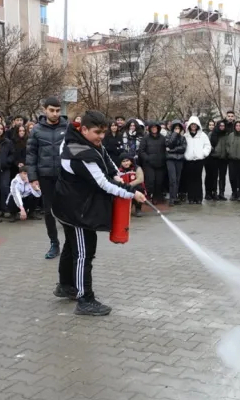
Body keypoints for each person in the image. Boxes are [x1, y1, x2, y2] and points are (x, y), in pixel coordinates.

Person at [51, 111, 146, 316]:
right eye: (97, 132)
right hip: (76, 211)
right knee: (84, 253)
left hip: (70, 206)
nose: (101, 137)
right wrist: (132, 192)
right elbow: (102, 184)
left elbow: (106, 160)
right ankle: (85, 299)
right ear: (84, 129)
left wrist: (117, 175)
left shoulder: (83, 141)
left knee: (71, 247)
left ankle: (66, 286)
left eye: (103, 132)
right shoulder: (80, 153)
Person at [26, 97, 69, 259]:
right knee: (49, 211)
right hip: (45, 177)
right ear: (45, 110)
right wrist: (32, 177)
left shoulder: (68, 127)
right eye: (52, 110)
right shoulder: (36, 130)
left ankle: (70, 243)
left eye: (58, 110)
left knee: (66, 210)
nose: (55, 113)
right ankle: (54, 243)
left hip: (64, 177)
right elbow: (31, 155)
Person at [182, 116, 211, 205]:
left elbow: (207, 146)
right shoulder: (185, 136)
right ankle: (191, 197)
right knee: (190, 179)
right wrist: (185, 155)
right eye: (192, 124)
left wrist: (203, 153)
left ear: (197, 125)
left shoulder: (203, 135)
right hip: (189, 160)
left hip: (199, 160)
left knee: (198, 179)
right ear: (189, 125)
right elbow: (182, 146)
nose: (193, 126)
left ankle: (198, 198)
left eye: (195, 124)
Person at [138, 122, 167, 204]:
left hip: (160, 164)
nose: (154, 129)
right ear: (150, 129)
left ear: (158, 128)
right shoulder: (145, 138)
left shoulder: (162, 138)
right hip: (149, 164)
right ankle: (147, 196)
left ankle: (156, 197)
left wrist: (164, 158)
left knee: (159, 182)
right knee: (150, 182)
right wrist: (147, 158)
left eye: (155, 127)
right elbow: (141, 151)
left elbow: (166, 149)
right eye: (152, 127)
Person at [0, 123, 15, 217]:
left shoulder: (7, 142)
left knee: (4, 188)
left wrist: (7, 161)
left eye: (1, 128)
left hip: (5, 169)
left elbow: (12, 154)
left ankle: (5, 208)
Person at [225, 119, 240, 201]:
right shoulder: (231, 135)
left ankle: (239, 193)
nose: (238, 127)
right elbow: (227, 145)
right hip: (232, 160)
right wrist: (229, 151)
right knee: (232, 177)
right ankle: (234, 192)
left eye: (239, 126)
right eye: (236, 126)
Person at [164, 120, 187, 205]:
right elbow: (169, 144)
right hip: (170, 159)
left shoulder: (183, 138)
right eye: (175, 128)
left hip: (179, 159)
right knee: (172, 179)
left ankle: (175, 197)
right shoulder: (168, 136)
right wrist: (174, 134)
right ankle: (171, 198)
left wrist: (172, 150)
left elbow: (183, 148)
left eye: (178, 128)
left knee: (177, 179)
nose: (177, 130)